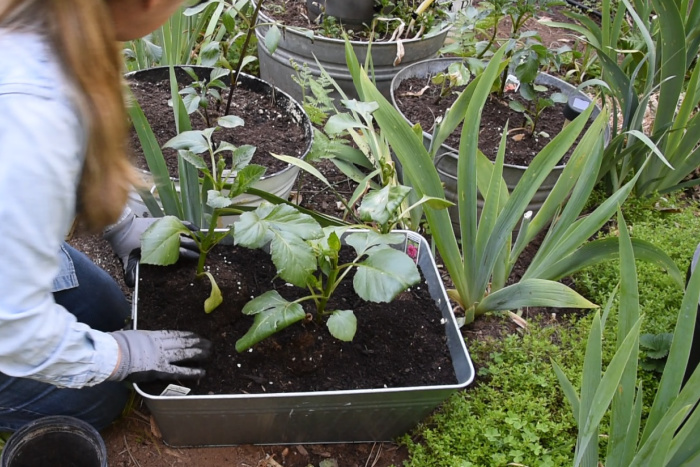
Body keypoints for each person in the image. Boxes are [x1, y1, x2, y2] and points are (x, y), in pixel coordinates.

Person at [0, 0, 211, 431]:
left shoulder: (52, 25)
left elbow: (54, 173)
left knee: (106, 310)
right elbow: (12, 322)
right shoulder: (30, 113)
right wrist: (121, 358)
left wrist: (124, 223)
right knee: (100, 396)